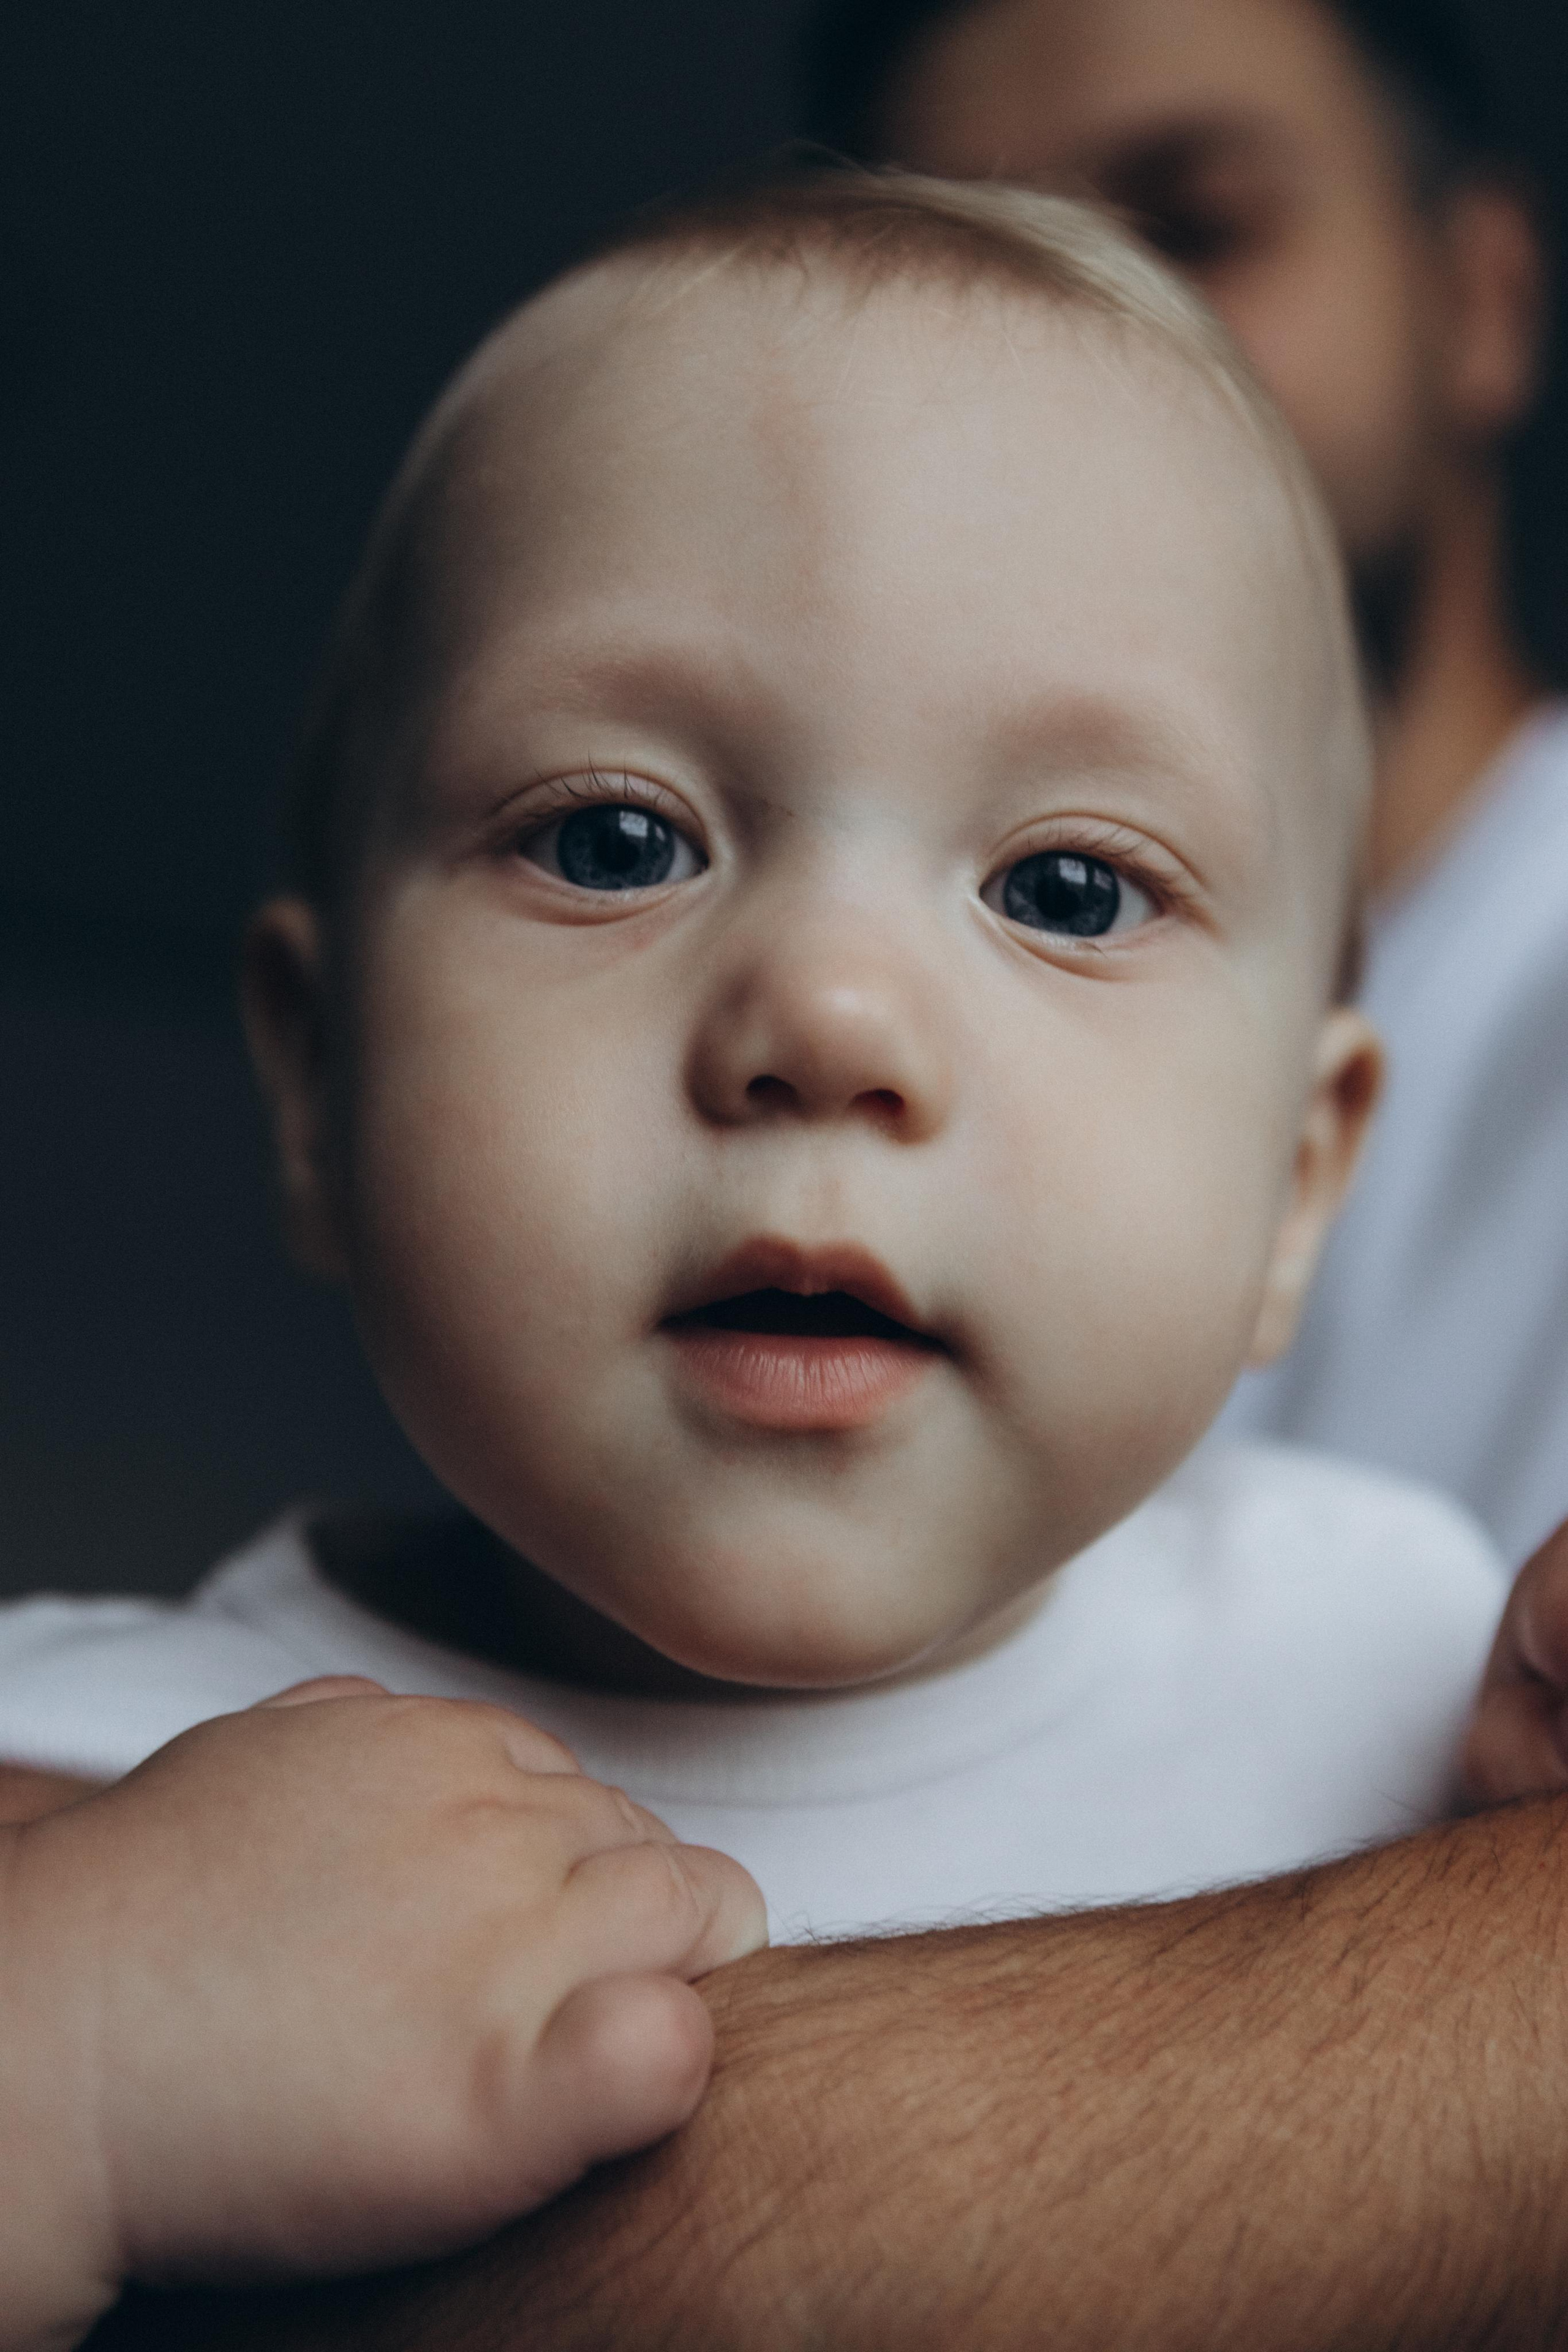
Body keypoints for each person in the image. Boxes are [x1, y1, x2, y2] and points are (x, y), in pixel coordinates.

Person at [0, 170, 1515, 2343]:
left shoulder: (1424, 1683)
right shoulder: (82, 1798)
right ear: (317, 1084)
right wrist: (58, 2075)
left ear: (1298, 1178)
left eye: (1071, 888)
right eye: (618, 841)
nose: (826, 1017)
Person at [799, 0, 1568, 1567]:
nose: (1088, 352)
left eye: (1201, 225)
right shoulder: (824, 1038)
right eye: (969, 285)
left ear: (1481, 298)